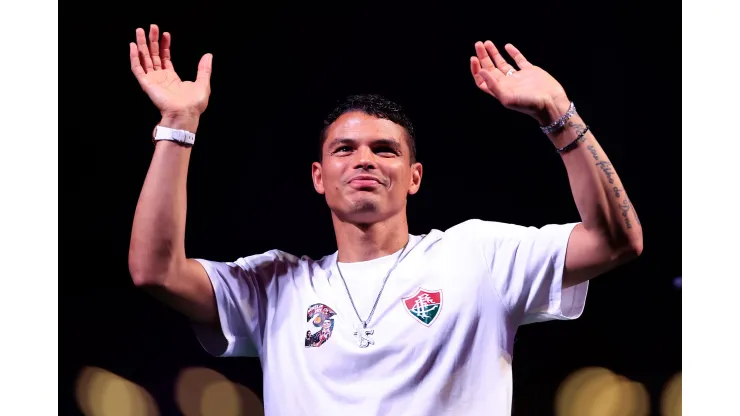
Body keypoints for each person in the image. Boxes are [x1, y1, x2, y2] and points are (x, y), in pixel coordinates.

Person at [127, 24, 643, 416]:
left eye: (385, 150)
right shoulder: (275, 286)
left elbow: (615, 241)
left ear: (414, 177)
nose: (365, 160)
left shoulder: (478, 256)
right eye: (344, 150)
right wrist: (178, 125)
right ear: (318, 176)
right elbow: (155, 270)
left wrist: (558, 112)